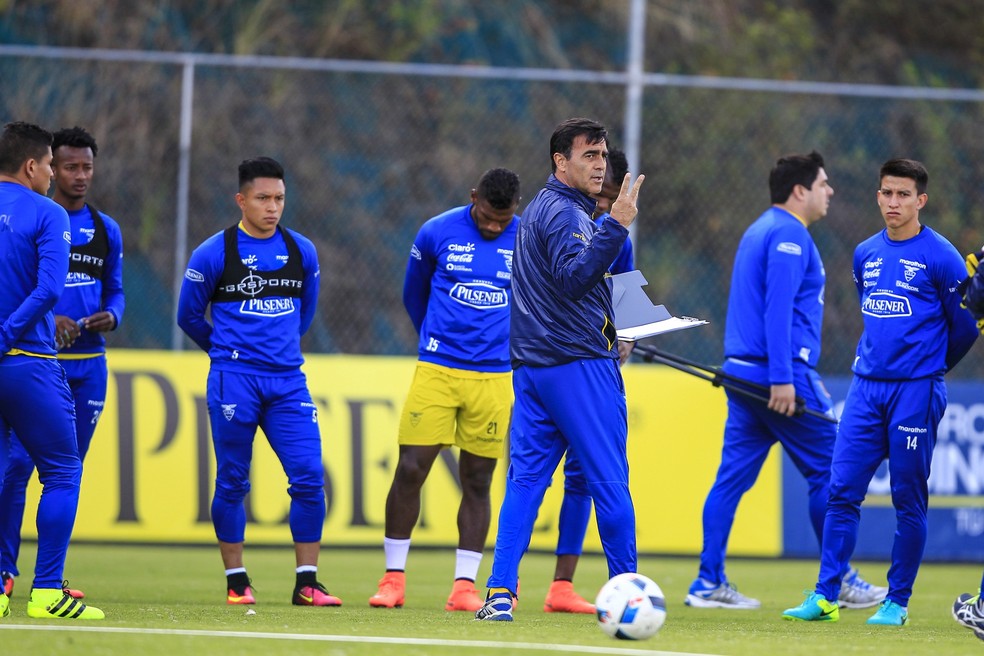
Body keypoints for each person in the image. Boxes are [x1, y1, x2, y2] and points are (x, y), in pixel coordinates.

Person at [686, 152, 886, 611]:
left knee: (730, 481)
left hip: (741, 372)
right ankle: (841, 580)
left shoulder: (760, 228)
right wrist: (782, 378)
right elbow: (778, 312)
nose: (829, 191)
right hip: (779, 375)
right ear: (800, 191)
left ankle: (707, 582)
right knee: (834, 474)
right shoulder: (790, 236)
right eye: (823, 183)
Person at [783, 158, 977, 626]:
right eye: (886, 193)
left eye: (903, 195)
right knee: (841, 491)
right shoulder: (865, 253)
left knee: (908, 499)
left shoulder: (942, 256)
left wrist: (930, 368)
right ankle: (827, 595)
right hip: (866, 390)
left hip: (916, 393)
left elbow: (966, 327)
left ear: (920, 201)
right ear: (878, 195)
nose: (894, 203)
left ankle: (897, 602)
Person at [476, 117, 645, 622]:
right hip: (578, 368)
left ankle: (499, 595)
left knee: (525, 485)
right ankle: (628, 599)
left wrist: (629, 324)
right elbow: (575, 278)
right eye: (589, 155)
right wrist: (618, 221)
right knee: (610, 482)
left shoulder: (538, 211)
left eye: (603, 155)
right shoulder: (571, 215)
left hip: (533, 370)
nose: (599, 164)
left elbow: (611, 283)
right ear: (561, 162)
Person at [177, 156, 341, 607]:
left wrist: (278, 347)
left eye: (280, 199)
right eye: (263, 198)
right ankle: (236, 582)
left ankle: (306, 583)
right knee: (232, 481)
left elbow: (305, 313)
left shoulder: (301, 250)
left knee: (309, 478)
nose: (273, 207)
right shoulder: (214, 252)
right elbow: (188, 315)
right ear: (241, 200)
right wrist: (226, 349)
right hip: (235, 380)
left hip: (288, 381)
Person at [368, 169, 521, 612]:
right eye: (487, 217)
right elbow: (412, 294)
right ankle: (393, 579)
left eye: (502, 219)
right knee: (411, 468)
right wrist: (433, 339)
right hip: (438, 368)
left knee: (478, 478)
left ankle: (464, 587)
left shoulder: (526, 238)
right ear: (473, 197)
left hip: (493, 376)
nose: (494, 227)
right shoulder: (436, 231)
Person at [0, 126, 125, 600]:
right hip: (31, 360)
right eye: (57, 164)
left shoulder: (105, 229)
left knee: (23, 470)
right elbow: (49, 289)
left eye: (81, 167)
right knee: (58, 471)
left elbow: (117, 290)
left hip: (85, 361)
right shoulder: (47, 213)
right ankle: (43, 586)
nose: (65, 174)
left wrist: (112, 315)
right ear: (33, 166)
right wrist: (15, 331)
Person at [543, 147, 633, 615]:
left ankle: (562, 586)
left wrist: (631, 335)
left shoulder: (619, 237)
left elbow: (628, 300)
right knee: (529, 476)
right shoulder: (558, 219)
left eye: (614, 197)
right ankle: (505, 584)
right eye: (606, 196)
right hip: (551, 366)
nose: (608, 205)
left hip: (598, 370)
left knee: (581, 479)